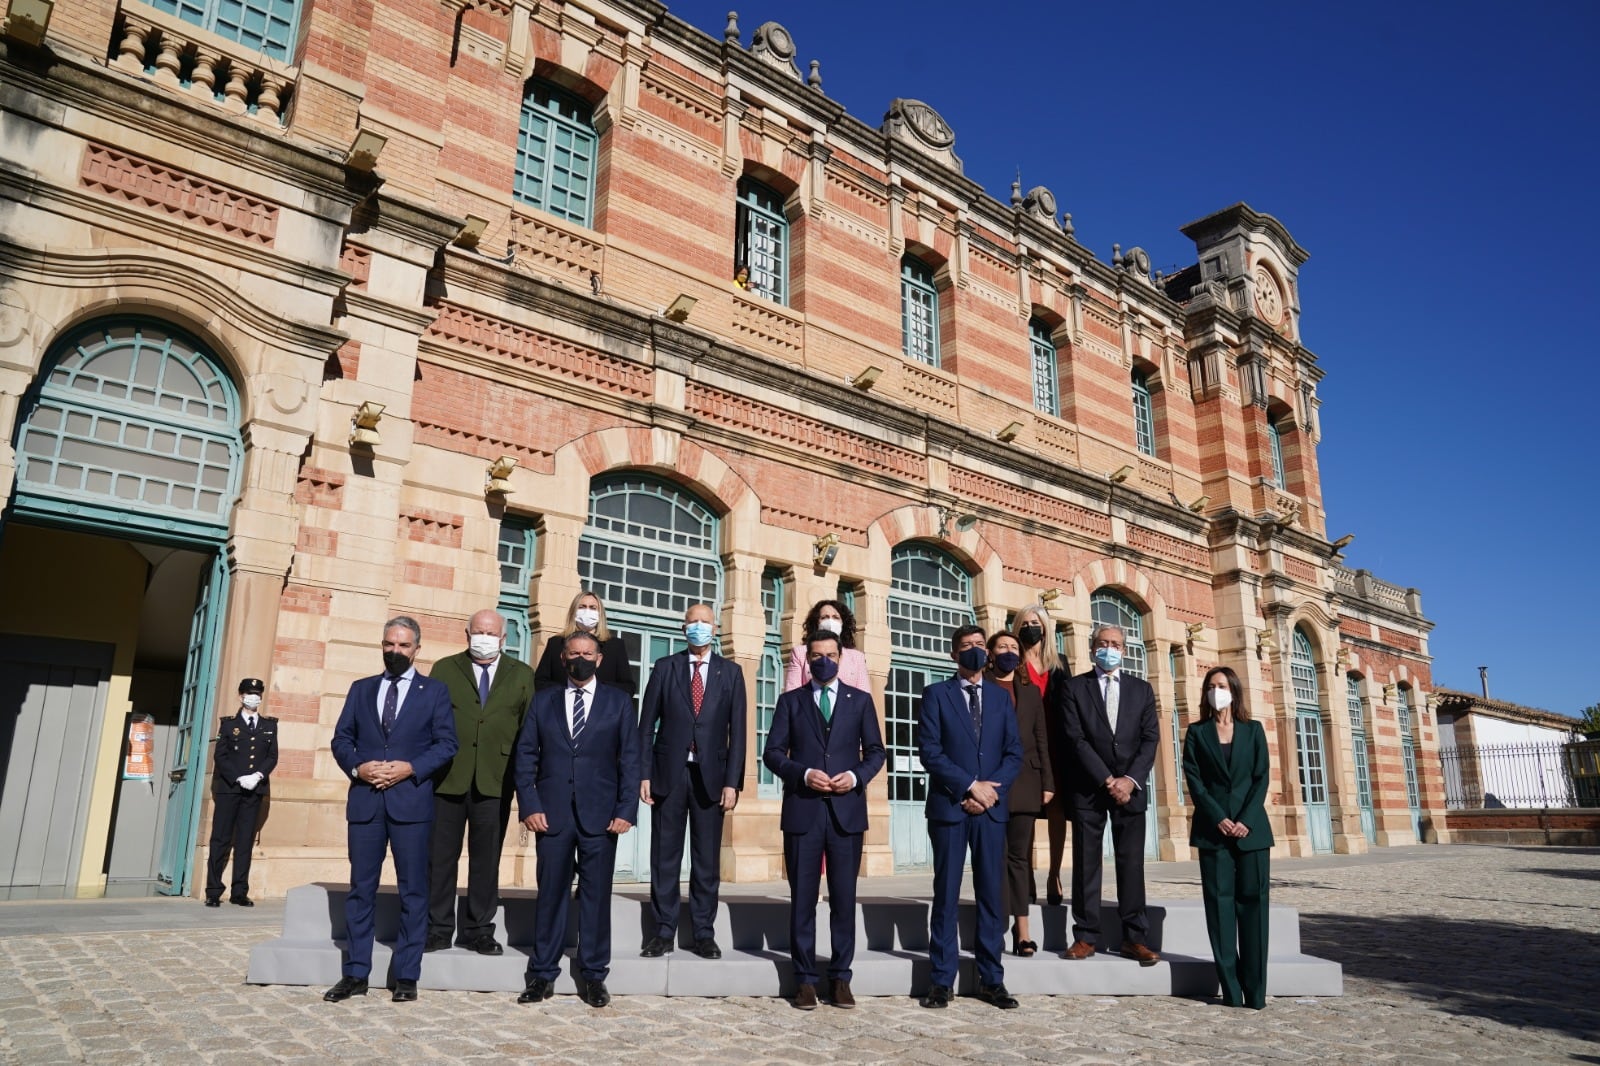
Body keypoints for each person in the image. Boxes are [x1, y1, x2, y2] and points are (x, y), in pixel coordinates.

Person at [325, 617, 458, 1003]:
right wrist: (358, 767)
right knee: (360, 890)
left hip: (411, 804)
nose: (395, 651)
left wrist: (411, 767)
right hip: (366, 804)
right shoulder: (360, 689)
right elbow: (341, 738)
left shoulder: (434, 691)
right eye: (389, 644)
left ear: (417, 648)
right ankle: (355, 974)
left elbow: (447, 744)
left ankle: (406, 975)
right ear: (381, 646)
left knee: (413, 891)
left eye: (403, 646)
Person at [514, 630, 640, 1009]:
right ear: (563, 658)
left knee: (596, 898)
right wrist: (530, 805)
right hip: (550, 816)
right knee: (550, 894)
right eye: (573, 653)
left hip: (601, 817)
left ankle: (594, 975)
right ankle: (542, 974)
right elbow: (525, 757)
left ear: (599, 659)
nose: (580, 659)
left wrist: (625, 810)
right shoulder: (543, 701)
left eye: (588, 653)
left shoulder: (619, 703)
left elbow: (630, 761)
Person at [763, 630, 885, 1010]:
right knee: (802, 899)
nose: (824, 660)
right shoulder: (790, 702)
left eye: (830, 654)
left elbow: (877, 752)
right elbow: (772, 753)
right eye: (817, 655)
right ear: (808, 658)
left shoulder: (861, 701)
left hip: (846, 813)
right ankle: (804, 979)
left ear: (841, 657)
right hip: (804, 810)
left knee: (844, 899)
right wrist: (801, 773)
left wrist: (854, 777)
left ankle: (841, 977)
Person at [917, 625, 1022, 1010]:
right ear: (953, 655)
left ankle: (992, 979)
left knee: (992, 895)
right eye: (967, 647)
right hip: (950, 808)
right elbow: (930, 751)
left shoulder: (1000, 699)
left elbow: (1014, 753)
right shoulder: (935, 695)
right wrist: (968, 787)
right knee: (945, 894)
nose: (975, 651)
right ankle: (941, 980)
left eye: (980, 645)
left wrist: (989, 792)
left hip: (990, 811)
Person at [638, 603, 747, 959]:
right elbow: (646, 726)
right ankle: (663, 930)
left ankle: (703, 931)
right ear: (683, 627)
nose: (698, 627)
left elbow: (739, 733)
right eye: (692, 622)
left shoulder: (730, 673)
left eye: (705, 622)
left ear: (715, 629)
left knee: (706, 860)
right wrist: (643, 773)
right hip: (668, 774)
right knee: (664, 856)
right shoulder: (665, 667)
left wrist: (733, 782)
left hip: (711, 778)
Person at [425, 609, 536, 955]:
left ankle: (478, 929)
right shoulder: (445, 668)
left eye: (491, 633)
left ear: (504, 639)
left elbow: (528, 732)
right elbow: (430, 722)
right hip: (448, 778)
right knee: (440, 856)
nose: (484, 638)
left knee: (486, 859)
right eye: (478, 631)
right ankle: (437, 927)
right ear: (466, 633)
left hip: (496, 779)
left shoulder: (521, 674)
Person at [1058, 622, 1161, 965]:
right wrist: (1107, 779)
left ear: (1125, 650)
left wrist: (1129, 780)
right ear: (1092, 649)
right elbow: (1074, 739)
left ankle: (1135, 938)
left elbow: (1150, 739)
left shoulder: (1142, 690)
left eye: (1115, 643)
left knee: (1131, 865)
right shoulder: (1074, 688)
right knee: (1087, 864)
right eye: (1103, 643)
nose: (1109, 648)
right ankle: (1086, 936)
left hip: (1130, 790)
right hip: (1089, 788)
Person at [1182, 665, 1274, 1009]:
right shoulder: (1196, 732)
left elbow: (1261, 777)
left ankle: (1256, 992)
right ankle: (1232, 992)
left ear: (1233, 691)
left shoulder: (1253, 731)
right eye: (1210, 686)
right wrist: (1218, 817)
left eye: (1221, 685)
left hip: (1252, 833)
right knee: (1219, 910)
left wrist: (1246, 819)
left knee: (1255, 908)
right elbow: (1195, 780)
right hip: (1213, 831)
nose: (1216, 690)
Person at [985, 631, 1054, 956]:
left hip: (1027, 779)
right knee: (994, 858)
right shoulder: (981, 685)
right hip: (991, 782)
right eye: (1003, 647)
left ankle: (1022, 931)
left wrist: (1048, 782)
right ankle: (995, 927)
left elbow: (1041, 738)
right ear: (991, 652)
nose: (1009, 652)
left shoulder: (1029, 692)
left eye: (1014, 647)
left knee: (1019, 858)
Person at [1014, 603, 1071, 906]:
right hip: (1025, 746)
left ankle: (1054, 874)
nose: (1029, 628)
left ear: (1045, 627)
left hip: (1056, 745)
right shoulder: (1014, 662)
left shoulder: (1059, 663)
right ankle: (1027, 876)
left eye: (1034, 623)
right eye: (1023, 624)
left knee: (1056, 812)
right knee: (1025, 811)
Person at [205, 677, 278, 908]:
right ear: (240, 695)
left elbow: (272, 756)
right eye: (249, 693)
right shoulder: (228, 724)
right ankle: (213, 891)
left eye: (257, 693)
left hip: (254, 790)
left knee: (245, 841)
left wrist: (257, 776)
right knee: (221, 838)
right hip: (230, 789)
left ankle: (239, 891)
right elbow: (221, 756)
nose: (253, 697)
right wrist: (238, 777)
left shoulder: (269, 726)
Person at [533, 590, 636, 696]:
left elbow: (628, 687)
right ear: (574, 611)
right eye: (582, 607)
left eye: (592, 608)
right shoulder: (556, 643)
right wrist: (568, 690)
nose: (587, 611)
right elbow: (540, 682)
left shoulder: (615, 646)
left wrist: (595, 687)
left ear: (600, 614)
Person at [783, 599, 869, 692]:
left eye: (835, 617)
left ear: (843, 623)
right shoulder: (800, 653)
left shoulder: (856, 658)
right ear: (816, 622)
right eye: (824, 617)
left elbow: (864, 697)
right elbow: (792, 694)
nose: (830, 621)